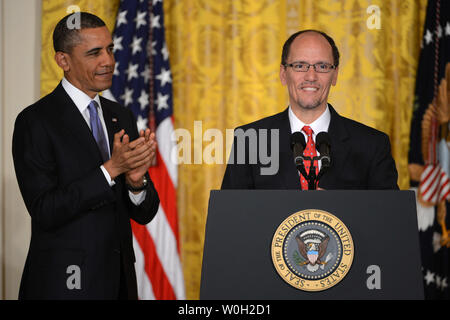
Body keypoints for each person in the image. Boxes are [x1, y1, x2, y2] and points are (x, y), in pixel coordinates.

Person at [12, 12, 160, 300]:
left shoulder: (121, 116)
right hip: (64, 285)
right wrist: (110, 170)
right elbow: (45, 210)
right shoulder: (36, 121)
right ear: (63, 61)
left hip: (119, 283)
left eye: (110, 49)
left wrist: (136, 182)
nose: (108, 61)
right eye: (94, 53)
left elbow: (144, 213)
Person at [221, 30, 398, 190]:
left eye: (322, 66)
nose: (311, 76)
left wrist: (341, 208)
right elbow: (230, 218)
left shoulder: (372, 145)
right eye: (300, 65)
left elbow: (388, 219)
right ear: (283, 73)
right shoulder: (250, 140)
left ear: (335, 74)